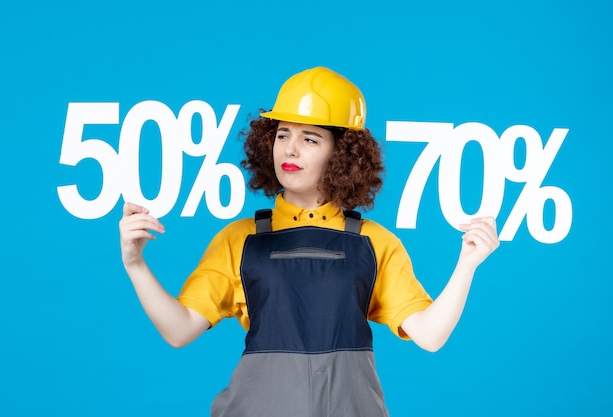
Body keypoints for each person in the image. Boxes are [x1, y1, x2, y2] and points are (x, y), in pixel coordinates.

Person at [119, 66, 500, 416]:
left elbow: (430, 336)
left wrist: (466, 265)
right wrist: (136, 264)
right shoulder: (240, 239)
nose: (290, 149)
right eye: (282, 134)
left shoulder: (374, 243)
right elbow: (179, 329)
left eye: (310, 138)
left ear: (343, 153)